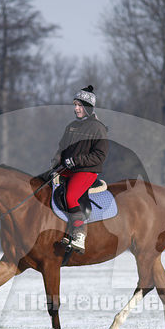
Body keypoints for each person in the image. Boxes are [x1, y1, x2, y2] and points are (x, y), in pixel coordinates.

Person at [50, 85, 108, 252]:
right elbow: (62, 148)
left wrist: (75, 161)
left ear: (88, 108)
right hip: (69, 168)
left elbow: (99, 156)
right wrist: (56, 161)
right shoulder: (72, 126)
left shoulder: (98, 128)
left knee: (71, 196)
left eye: (80, 105)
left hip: (87, 170)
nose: (76, 108)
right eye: (75, 105)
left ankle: (79, 235)